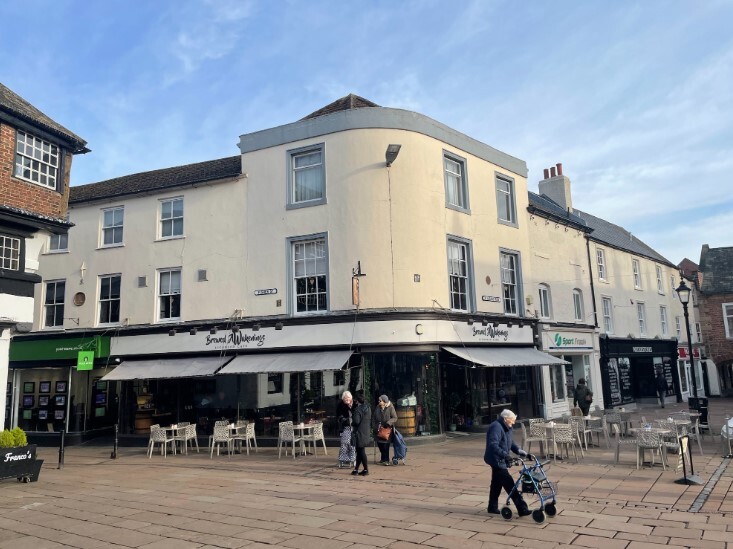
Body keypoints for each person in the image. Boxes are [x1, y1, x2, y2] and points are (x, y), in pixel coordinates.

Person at [484, 409, 531, 516]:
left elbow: (510, 442)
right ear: (505, 419)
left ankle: (492, 507)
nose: (513, 423)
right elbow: (493, 445)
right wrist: (505, 455)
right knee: (509, 483)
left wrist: (519, 451)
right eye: (512, 421)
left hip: (500, 459)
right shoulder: (496, 427)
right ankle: (522, 508)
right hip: (496, 459)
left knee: (496, 483)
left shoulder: (507, 426)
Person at [350, 392, 371, 476]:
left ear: (357, 401)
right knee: (360, 451)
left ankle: (366, 469)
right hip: (365, 431)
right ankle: (356, 469)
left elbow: (356, 421)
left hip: (359, 433)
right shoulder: (368, 408)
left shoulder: (358, 410)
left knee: (361, 451)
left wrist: (351, 423)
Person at [373, 394, 397, 465]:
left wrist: (388, 423)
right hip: (379, 428)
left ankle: (386, 460)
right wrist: (374, 426)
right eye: (379, 400)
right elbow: (374, 417)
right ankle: (383, 458)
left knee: (386, 445)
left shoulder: (390, 407)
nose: (379, 402)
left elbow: (395, 417)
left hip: (387, 429)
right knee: (379, 444)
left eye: (380, 401)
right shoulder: (378, 407)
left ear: (384, 401)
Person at [336, 390, 356, 467]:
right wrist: (342, 419)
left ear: (351, 398)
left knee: (352, 444)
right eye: (345, 399)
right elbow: (338, 415)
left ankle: (352, 458)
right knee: (344, 443)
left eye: (348, 398)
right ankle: (344, 458)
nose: (347, 400)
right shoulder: (341, 405)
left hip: (354, 426)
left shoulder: (355, 404)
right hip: (345, 426)